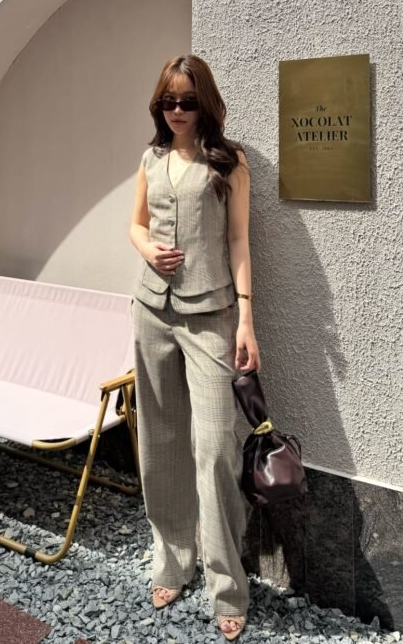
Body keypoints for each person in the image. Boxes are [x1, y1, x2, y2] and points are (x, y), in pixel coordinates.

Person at [128, 54, 261, 642]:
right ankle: (173, 560)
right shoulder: (150, 158)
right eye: (168, 101)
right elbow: (135, 224)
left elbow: (239, 241)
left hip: (212, 316)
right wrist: (146, 249)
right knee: (159, 441)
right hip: (151, 311)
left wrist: (246, 319)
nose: (176, 111)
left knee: (213, 448)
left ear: (204, 102)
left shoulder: (228, 162)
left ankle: (227, 585)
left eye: (186, 101)